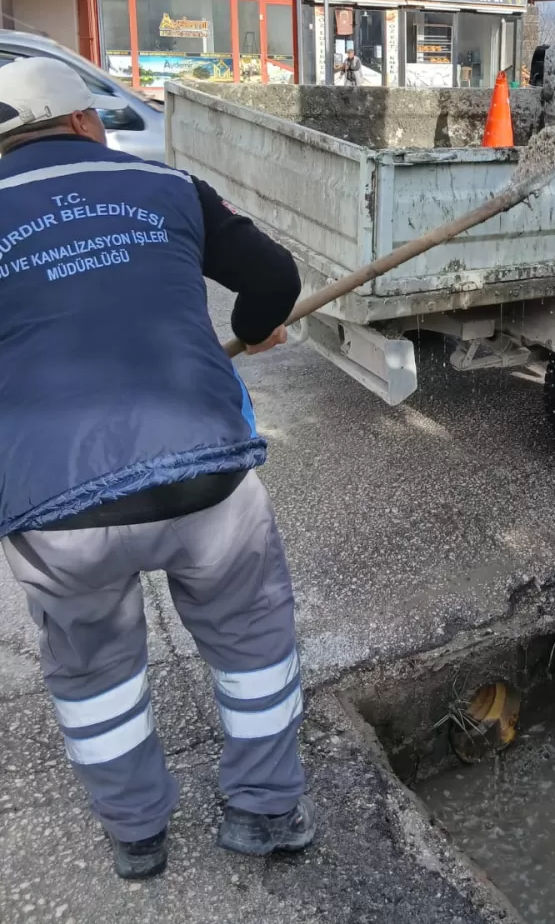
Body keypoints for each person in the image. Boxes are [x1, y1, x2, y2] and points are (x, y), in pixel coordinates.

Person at [0, 57, 315, 881]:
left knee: (95, 671)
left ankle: (137, 835)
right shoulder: (167, 185)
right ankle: (265, 813)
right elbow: (275, 278)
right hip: (202, 468)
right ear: (81, 121)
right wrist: (252, 327)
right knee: (251, 639)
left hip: (59, 500)